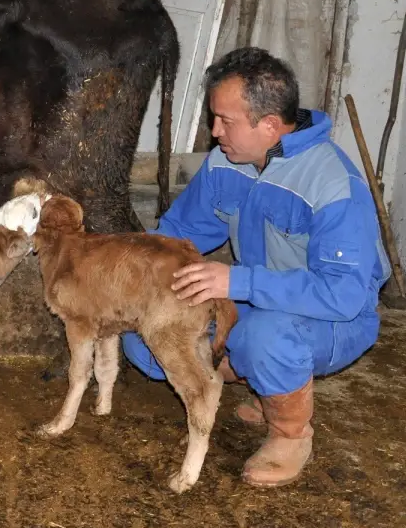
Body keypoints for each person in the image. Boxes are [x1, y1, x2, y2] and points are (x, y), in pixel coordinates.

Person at [120, 47, 390, 487]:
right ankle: (257, 377)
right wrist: (128, 268)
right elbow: (178, 234)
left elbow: (343, 295)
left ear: (269, 125)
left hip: (334, 318)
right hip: (255, 300)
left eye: (225, 121)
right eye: (214, 117)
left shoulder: (332, 184)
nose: (214, 131)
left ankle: (290, 433)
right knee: (145, 338)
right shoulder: (227, 162)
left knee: (262, 338)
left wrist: (236, 281)